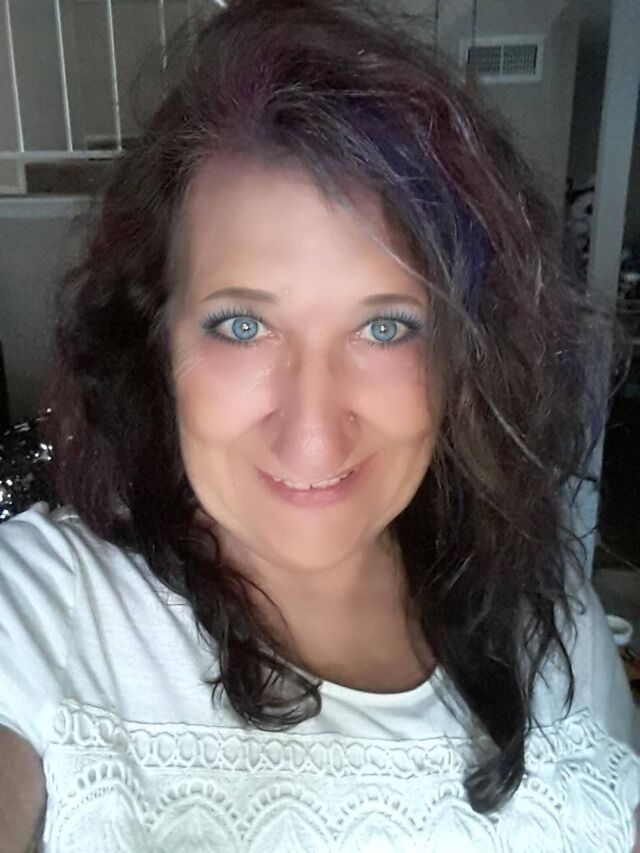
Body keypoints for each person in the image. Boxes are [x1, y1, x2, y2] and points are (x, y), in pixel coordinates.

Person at [1, 0, 639, 849]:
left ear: (467, 352)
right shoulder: (41, 612)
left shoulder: (555, 622)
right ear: (157, 339)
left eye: (385, 326)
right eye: (242, 325)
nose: (312, 433)